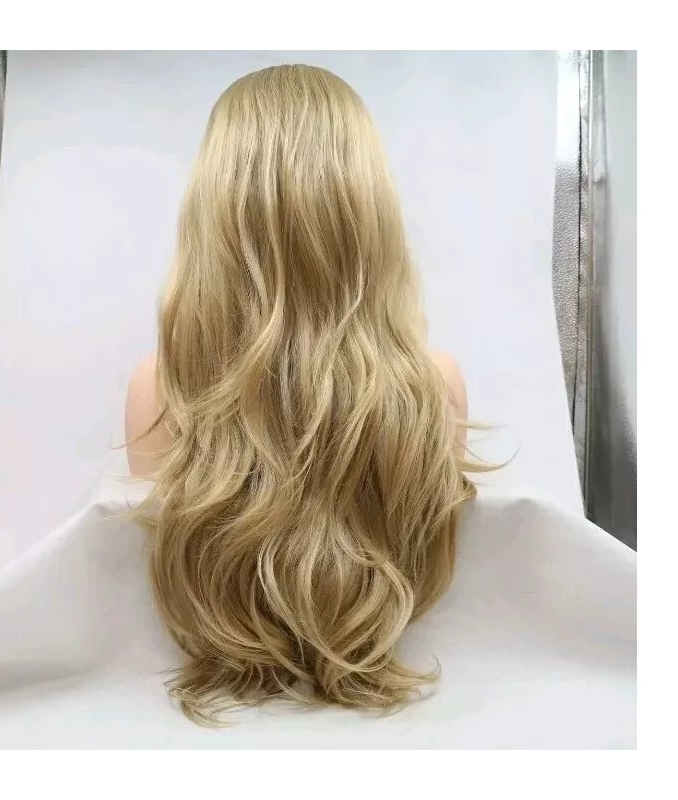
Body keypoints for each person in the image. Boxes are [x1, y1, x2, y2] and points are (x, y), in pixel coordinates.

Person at [125, 64, 477, 724]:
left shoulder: (161, 390)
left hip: (217, 718)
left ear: (215, 206)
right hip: (393, 718)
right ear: (367, 206)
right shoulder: (434, 387)